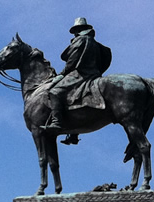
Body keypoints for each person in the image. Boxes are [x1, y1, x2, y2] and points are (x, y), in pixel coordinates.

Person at [45, 17, 112, 145]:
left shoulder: (80, 40)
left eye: (76, 30)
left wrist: (62, 74)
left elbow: (72, 61)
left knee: (54, 92)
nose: (75, 33)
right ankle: (73, 134)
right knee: (74, 98)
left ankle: (57, 122)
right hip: (95, 74)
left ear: (80, 30)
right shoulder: (95, 43)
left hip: (81, 74)